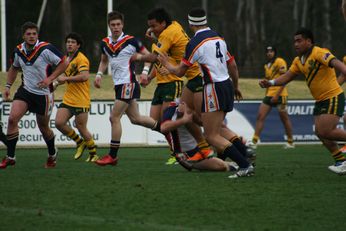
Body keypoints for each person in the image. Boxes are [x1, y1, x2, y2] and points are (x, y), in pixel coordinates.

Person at [158, 8, 254, 178]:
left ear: (190, 23)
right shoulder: (219, 38)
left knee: (211, 135)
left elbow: (180, 72)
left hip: (213, 88)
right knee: (217, 128)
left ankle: (244, 165)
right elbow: (233, 65)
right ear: (205, 21)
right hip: (227, 85)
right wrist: (236, 86)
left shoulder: (194, 43)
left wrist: (167, 63)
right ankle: (244, 155)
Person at [259, 28, 346, 175]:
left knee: (326, 130)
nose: (296, 44)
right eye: (294, 41)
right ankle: (341, 161)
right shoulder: (299, 61)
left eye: (299, 41)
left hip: (332, 96)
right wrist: (271, 83)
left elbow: (336, 63)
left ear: (309, 41)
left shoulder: (319, 52)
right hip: (320, 100)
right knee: (320, 132)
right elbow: (287, 76)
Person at [134, 8, 213, 165]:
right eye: (150, 26)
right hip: (174, 81)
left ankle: (192, 150)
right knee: (159, 121)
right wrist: (149, 77)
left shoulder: (167, 36)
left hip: (183, 80)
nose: (151, 29)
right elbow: (160, 58)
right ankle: (196, 148)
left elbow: (153, 57)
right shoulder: (172, 28)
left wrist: (136, 57)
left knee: (191, 119)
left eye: (154, 26)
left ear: (163, 23)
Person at [94, 11, 160, 166]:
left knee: (114, 117)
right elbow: (104, 61)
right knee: (136, 119)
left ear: (122, 25)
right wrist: (98, 74)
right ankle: (166, 130)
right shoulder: (105, 43)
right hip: (119, 85)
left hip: (129, 83)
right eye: (113, 25)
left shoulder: (132, 41)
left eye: (118, 24)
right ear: (109, 26)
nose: (116, 27)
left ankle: (112, 156)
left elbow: (150, 57)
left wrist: (144, 72)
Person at [0, 21, 67, 169]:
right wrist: (8, 86)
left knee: (43, 128)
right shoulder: (18, 51)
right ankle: (10, 156)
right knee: (12, 119)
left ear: (37, 35)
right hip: (26, 91)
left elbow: (64, 63)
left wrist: (50, 78)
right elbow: (14, 68)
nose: (31, 36)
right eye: (28, 34)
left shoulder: (46, 49)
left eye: (34, 34)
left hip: (44, 94)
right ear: (23, 36)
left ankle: (52, 153)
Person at [161, 101, 242, 172]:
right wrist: (184, 120)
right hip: (187, 155)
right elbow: (163, 128)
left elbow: (203, 123)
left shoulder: (192, 108)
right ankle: (238, 163)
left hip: (199, 146)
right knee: (222, 166)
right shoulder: (173, 109)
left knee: (217, 131)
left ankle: (242, 153)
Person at [54, 33, 98, 162]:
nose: (69, 44)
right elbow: (63, 76)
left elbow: (84, 76)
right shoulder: (66, 59)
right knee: (59, 123)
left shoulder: (81, 59)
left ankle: (93, 154)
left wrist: (65, 79)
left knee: (81, 127)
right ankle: (79, 142)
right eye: (68, 42)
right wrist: (56, 83)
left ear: (78, 45)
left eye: (73, 42)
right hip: (68, 98)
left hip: (81, 100)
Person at [249, 46, 294, 149]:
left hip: (280, 95)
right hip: (269, 94)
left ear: (275, 52)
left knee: (284, 118)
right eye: (268, 51)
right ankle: (254, 142)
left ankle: (290, 142)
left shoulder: (280, 61)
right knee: (260, 116)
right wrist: (264, 87)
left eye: (271, 51)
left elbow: (285, 80)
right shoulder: (267, 65)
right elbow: (268, 81)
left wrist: (277, 95)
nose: (269, 53)